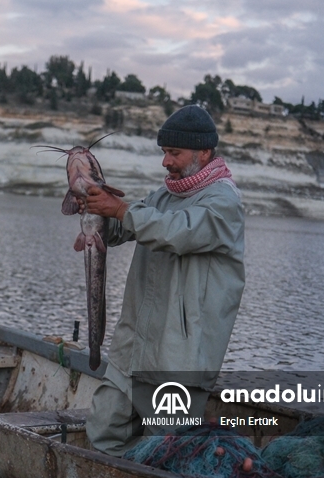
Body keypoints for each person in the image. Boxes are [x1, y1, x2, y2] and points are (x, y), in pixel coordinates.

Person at [79, 105, 245, 456]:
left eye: (174, 153)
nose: (166, 162)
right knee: (105, 426)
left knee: (166, 445)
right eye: (164, 152)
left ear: (204, 152)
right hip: (135, 342)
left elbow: (178, 232)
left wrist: (121, 210)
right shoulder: (166, 194)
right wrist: (98, 213)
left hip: (180, 351)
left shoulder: (223, 201)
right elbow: (126, 228)